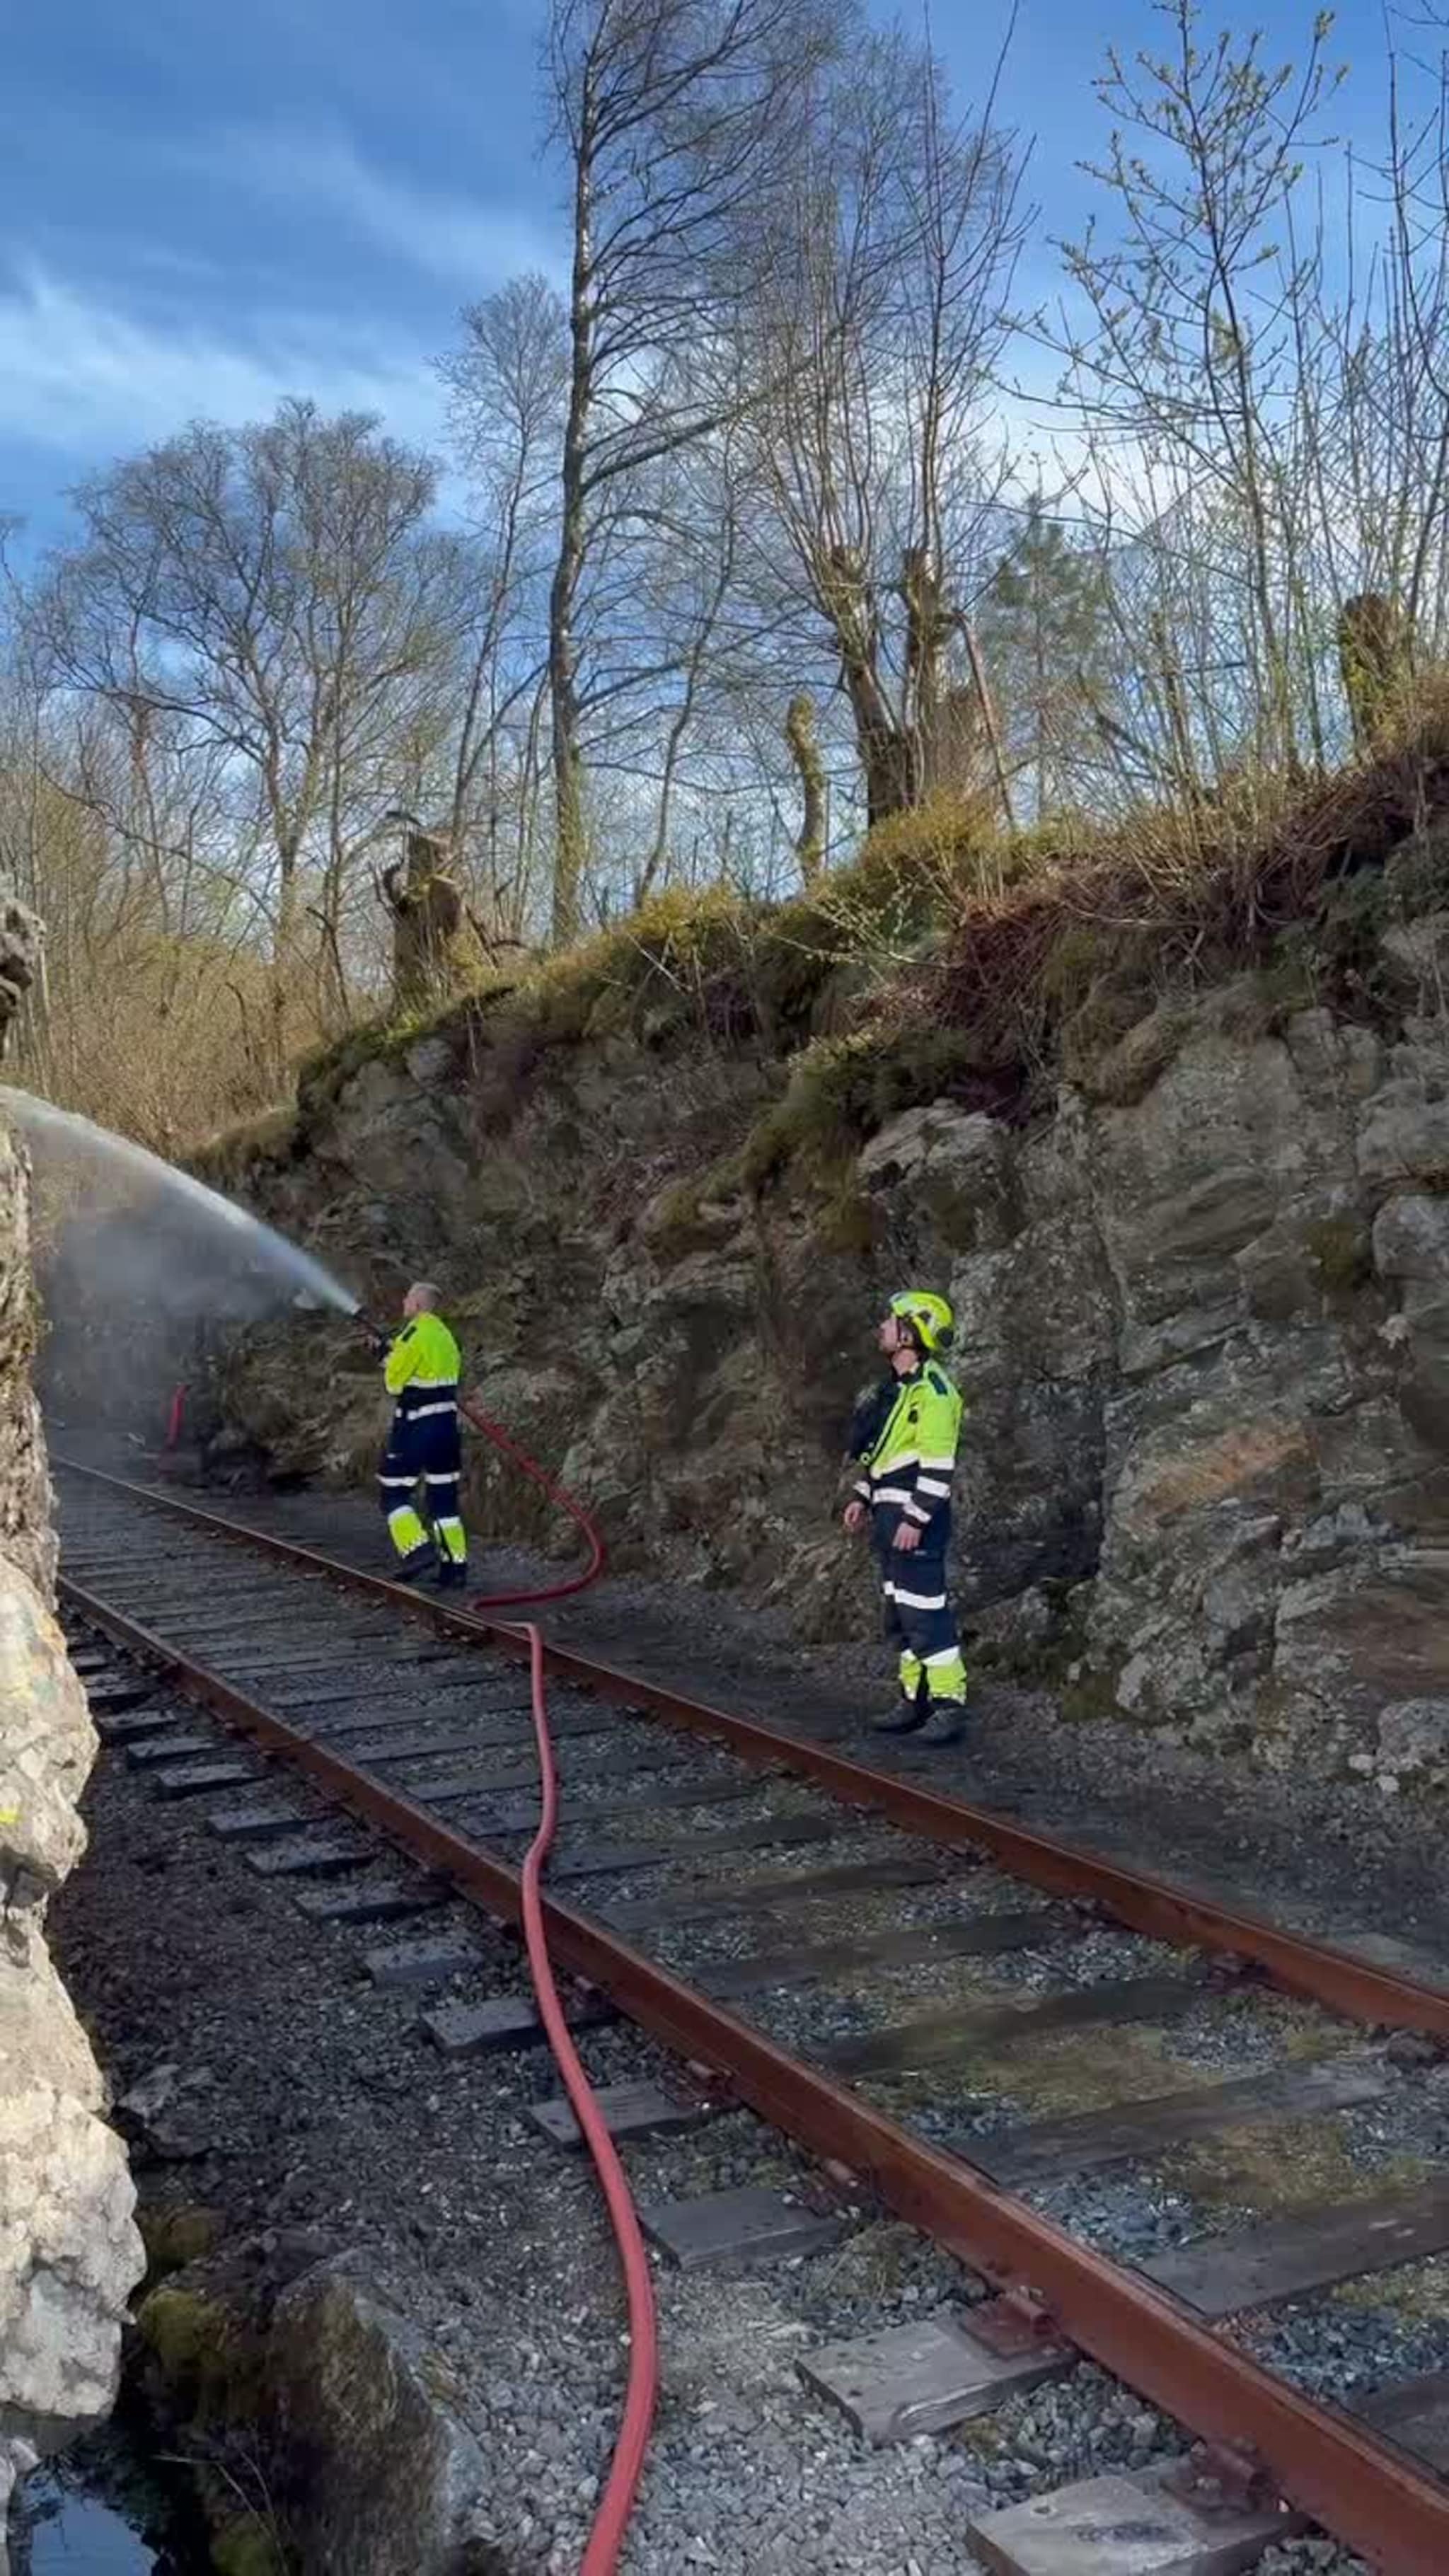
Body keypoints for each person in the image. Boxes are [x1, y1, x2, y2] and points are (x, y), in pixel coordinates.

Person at [843, 1288, 967, 1745]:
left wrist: (915, 1520)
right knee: (900, 1610)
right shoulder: (900, 1390)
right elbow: (884, 1454)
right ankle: (913, 1699)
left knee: (926, 1613)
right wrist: (862, 1494)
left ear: (910, 1331)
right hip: (891, 1515)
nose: (882, 1327)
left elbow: (938, 1466)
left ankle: (949, 1705)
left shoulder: (935, 1392)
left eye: (891, 1320)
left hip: (916, 1520)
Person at [378, 1282, 469, 1588]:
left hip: (417, 1427)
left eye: (407, 1298)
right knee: (444, 1500)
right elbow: (426, 1373)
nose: (403, 1302)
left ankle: (416, 1549)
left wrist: (383, 1356)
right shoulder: (445, 1335)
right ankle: (454, 1569)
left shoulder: (413, 1334)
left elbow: (394, 1383)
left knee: (393, 1490)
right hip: (446, 1429)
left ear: (417, 1304)